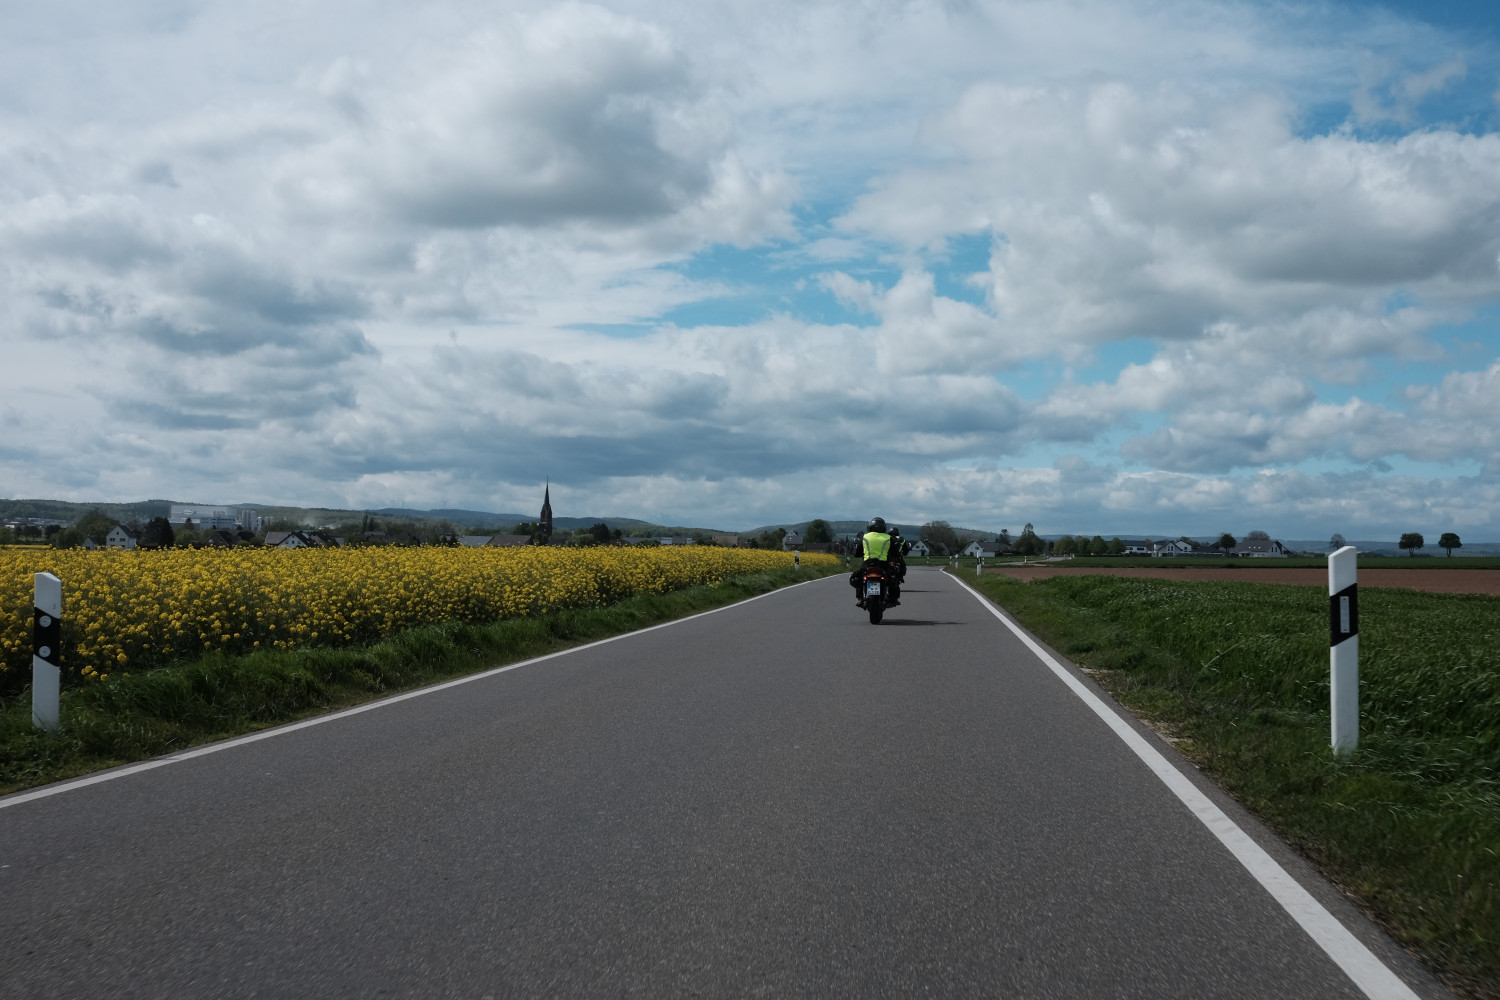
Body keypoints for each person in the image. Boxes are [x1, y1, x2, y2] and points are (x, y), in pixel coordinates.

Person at [850, 516, 898, 607]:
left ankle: (860, 598)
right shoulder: (888, 538)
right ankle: (892, 598)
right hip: (883, 565)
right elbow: (895, 553)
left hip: (867, 564)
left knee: (859, 577)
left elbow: (857, 553)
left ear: (870, 526)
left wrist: (860, 554)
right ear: (883, 527)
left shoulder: (865, 537)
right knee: (893, 578)